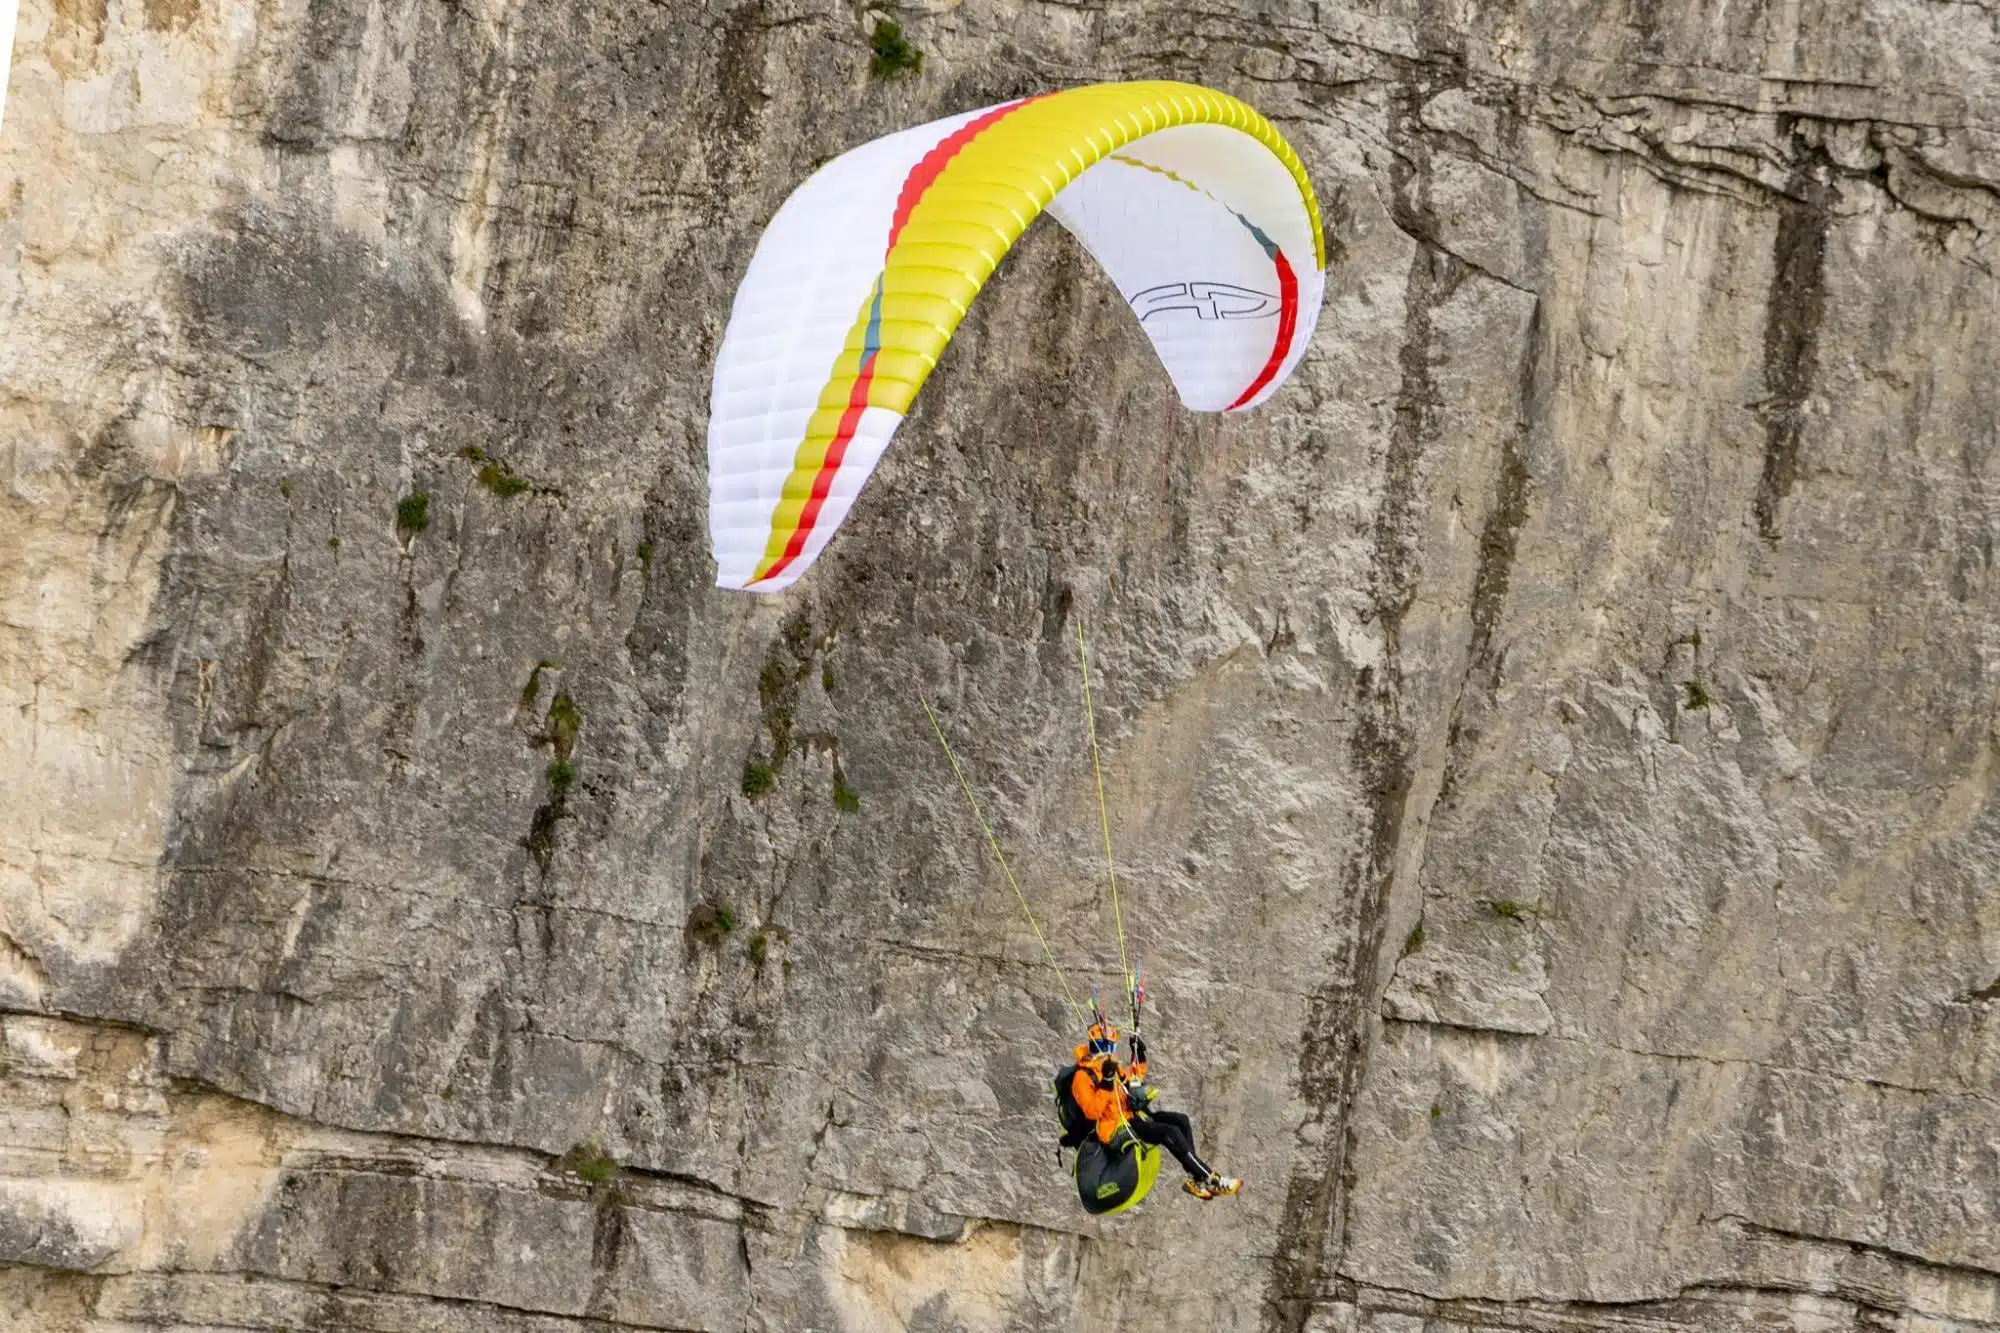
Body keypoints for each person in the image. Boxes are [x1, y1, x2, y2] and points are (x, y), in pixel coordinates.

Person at [1068, 1021, 1240, 1200]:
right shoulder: (1083, 1077)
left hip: (1131, 1117)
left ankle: (1196, 1179)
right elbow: (1092, 1111)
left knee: (1181, 1120)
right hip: (1114, 1130)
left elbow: (1132, 1080)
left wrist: (1139, 1056)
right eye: (1102, 1046)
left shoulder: (1110, 1066)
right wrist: (1106, 1083)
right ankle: (1211, 1178)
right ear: (1093, 1045)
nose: (1106, 1051)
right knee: (1169, 1132)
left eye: (1110, 1046)